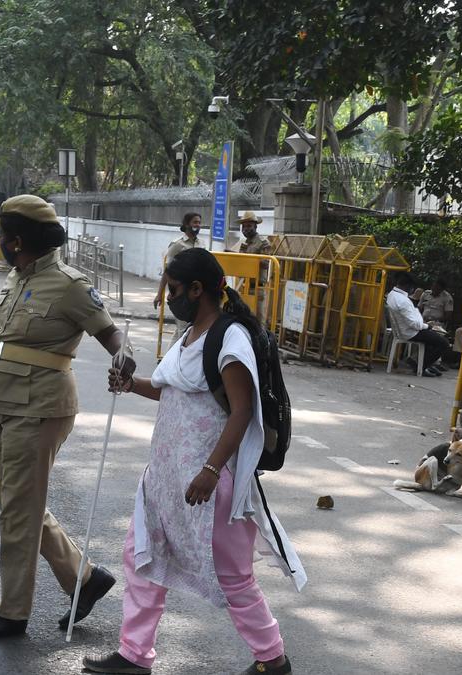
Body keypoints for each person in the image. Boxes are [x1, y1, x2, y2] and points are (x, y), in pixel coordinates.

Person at [0, 194, 137, 638]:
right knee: (19, 506)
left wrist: (124, 357)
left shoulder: (70, 285)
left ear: (16, 241)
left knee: (17, 511)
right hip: (0, 403)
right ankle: (85, 578)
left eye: (2, 236)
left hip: (38, 409)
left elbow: (111, 333)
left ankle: (12, 612)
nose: (0, 242)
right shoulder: (18, 278)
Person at [85, 248, 305, 675]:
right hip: (165, 479)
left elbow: (242, 410)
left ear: (197, 289)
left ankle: (273, 659)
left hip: (210, 484)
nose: (168, 297)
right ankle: (134, 654)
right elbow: (171, 388)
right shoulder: (189, 334)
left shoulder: (230, 339)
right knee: (141, 558)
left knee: (232, 575)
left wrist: (210, 470)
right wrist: (130, 384)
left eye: (173, 289)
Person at [386, 271, 449, 377]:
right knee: (443, 343)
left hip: (403, 329)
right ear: (408, 286)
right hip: (411, 332)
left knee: (433, 338)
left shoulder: (392, 295)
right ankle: (421, 366)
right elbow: (415, 324)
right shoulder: (403, 301)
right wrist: (427, 326)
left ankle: (421, 362)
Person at [154, 213, 204, 341]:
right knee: (184, 331)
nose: (198, 225)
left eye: (199, 222)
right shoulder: (177, 245)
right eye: (195, 222)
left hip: (195, 293)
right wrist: (159, 294)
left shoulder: (201, 244)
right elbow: (168, 271)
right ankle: (181, 354)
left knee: (182, 330)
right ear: (187, 224)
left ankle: (171, 354)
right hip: (181, 293)